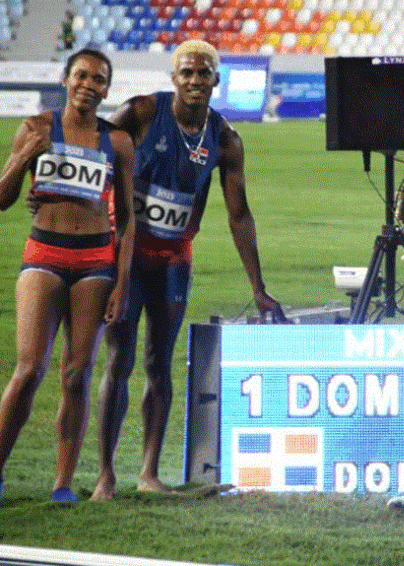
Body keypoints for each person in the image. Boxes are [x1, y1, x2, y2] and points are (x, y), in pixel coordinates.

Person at [89, 40, 287, 500]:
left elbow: (240, 214)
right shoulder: (140, 112)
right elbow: (93, 153)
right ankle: (104, 476)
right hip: (128, 256)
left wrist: (259, 287)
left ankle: (148, 474)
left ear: (217, 80)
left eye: (204, 73)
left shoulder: (225, 139)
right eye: (187, 73)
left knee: (160, 364)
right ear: (174, 77)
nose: (196, 81)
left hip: (175, 258)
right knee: (119, 358)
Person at [0, 49, 135, 503]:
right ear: (65, 78)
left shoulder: (117, 143)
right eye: (81, 75)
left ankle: (61, 485)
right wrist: (24, 159)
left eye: (99, 79)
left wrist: (122, 281)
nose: (89, 85)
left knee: (77, 375)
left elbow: (129, 218)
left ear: (106, 88)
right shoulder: (37, 127)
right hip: (44, 254)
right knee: (29, 369)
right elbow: (3, 198)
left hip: (96, 263)